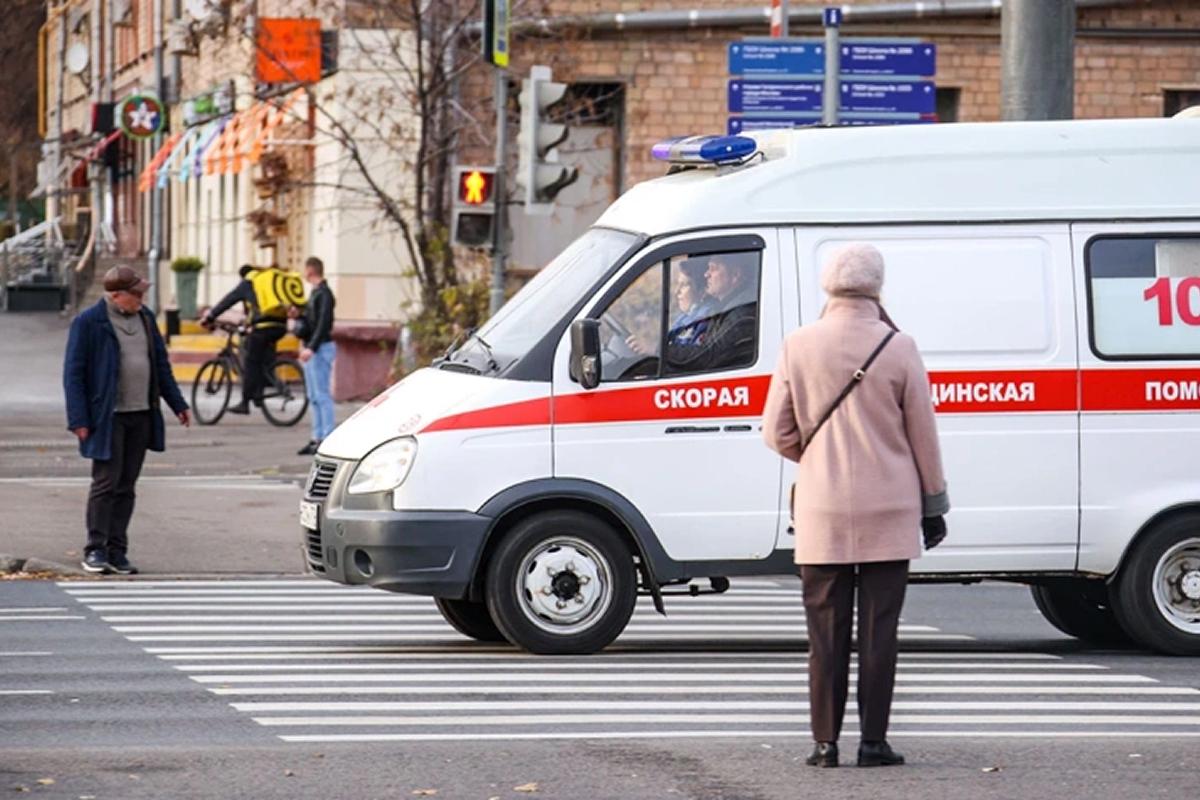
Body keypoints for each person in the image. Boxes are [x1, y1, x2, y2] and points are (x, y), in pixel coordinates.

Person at [761, 243, 949, 769]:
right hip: (890, 508)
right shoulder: (899, 345)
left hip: (821, 511)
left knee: (824, 635)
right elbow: (923, 437)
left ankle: (824, 744)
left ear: (828, 286)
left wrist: (816, 459)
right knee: (878, 632)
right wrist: (933, 504)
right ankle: (873, 743)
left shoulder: (798, 345)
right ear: (876, 287)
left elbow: (775, 431)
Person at [63, 266, 191, 575]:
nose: (141, 298)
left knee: (127, 486)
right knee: (105, 483)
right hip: (107, 417)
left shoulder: (145, 319)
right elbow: (73, 375)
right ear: (116, 294)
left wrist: (178, 404)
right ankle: (95, 549)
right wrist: (79, 419)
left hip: (141, 414)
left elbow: (161, 365)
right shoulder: (89, 322)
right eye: (136, 293)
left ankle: (117, 551)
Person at [199, 264, 288, 414]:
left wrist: (210, 316)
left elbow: (228, 300)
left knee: (250, 362)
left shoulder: (248, 284)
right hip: (280, 326)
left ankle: (245, 403)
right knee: (263, 360)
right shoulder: (267, 283)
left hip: (262, 327)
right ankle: (260, 393)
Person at [663, 252, 758, 372]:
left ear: (735, 275)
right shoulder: (723, 310)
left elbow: (707, 357)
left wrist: (660, 350)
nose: (706, 274)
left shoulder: (742, 317)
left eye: (713, 268)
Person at [293, 256, 336, 456]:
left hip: (320, 349)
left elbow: (323, 324)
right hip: (313, 348)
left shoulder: (324, 294)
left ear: (310, 271)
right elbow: (313, 321)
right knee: (313, 396)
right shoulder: (316, 293)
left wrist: (311, 347)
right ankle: (316, 437)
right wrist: (299, 316)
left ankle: (327, 437)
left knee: (322, 395)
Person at [666, 258, 715, 346]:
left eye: (684, 285)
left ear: (702, 291)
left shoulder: (704, 320)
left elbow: (689, 357)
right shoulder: (684, 317)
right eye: (678, 284)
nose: (677, 291)